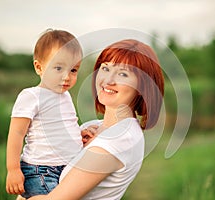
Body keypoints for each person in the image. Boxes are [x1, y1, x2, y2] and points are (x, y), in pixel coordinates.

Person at [29, 39, 165, 200]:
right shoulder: (93, 127)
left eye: (123, 74)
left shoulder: (119, 139)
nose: (108, 80)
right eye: (105, 68)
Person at [5, 29, 84, 199]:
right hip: (40, 169)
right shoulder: (32, 96)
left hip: (66, 167)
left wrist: (78, 135)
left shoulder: (65, 95)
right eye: (58, 68)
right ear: (39, 67)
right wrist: (13, 170)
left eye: (73, 70)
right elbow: (16, 134)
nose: (67, 77)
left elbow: (65, 124)